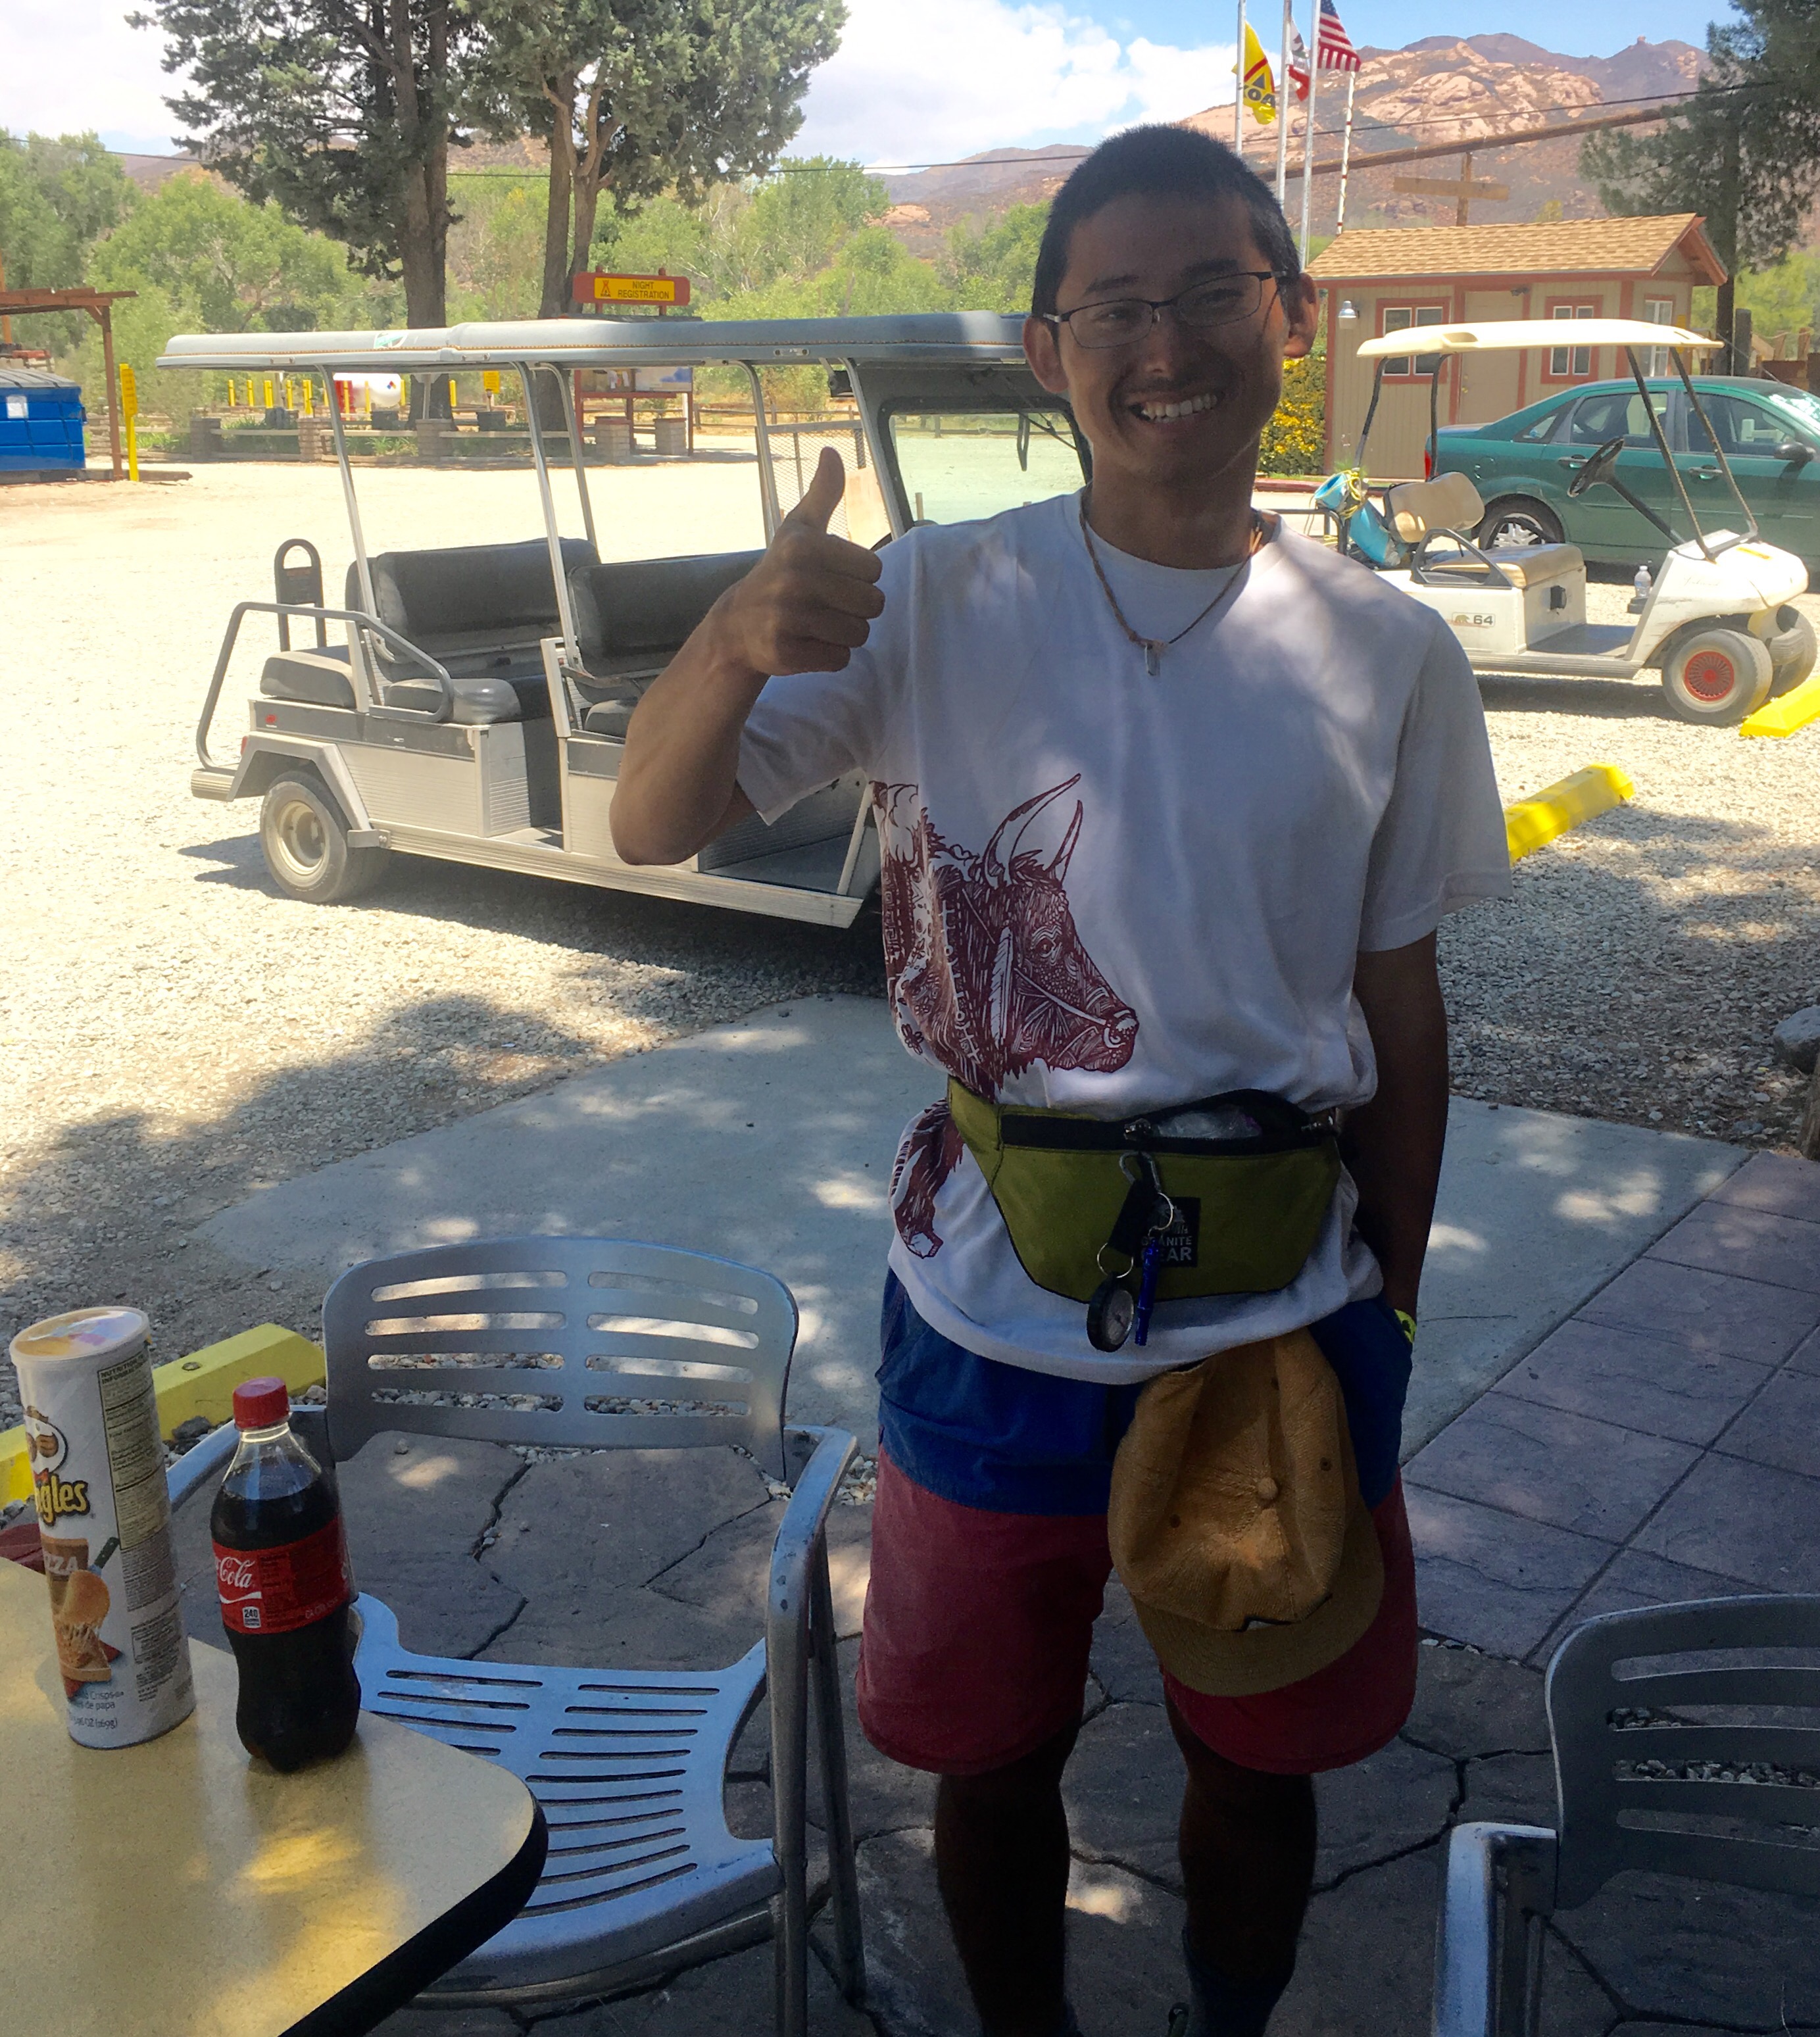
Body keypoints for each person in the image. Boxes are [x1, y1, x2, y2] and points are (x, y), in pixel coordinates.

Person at [612, 124, 1511, 2037]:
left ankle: (1225, 2021)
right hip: (986, 1305)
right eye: (1114, 307)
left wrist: (1396, 1309)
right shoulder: (933, 599)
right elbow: (650, 820)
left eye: (1211, 293)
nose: (1164, 344)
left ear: (1289, 317)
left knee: (1260, 1760)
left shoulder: (1390, 651)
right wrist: (726, 641)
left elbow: (1404, 1012)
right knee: (987, 1755)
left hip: (1280, 1314)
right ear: (1049, 351)